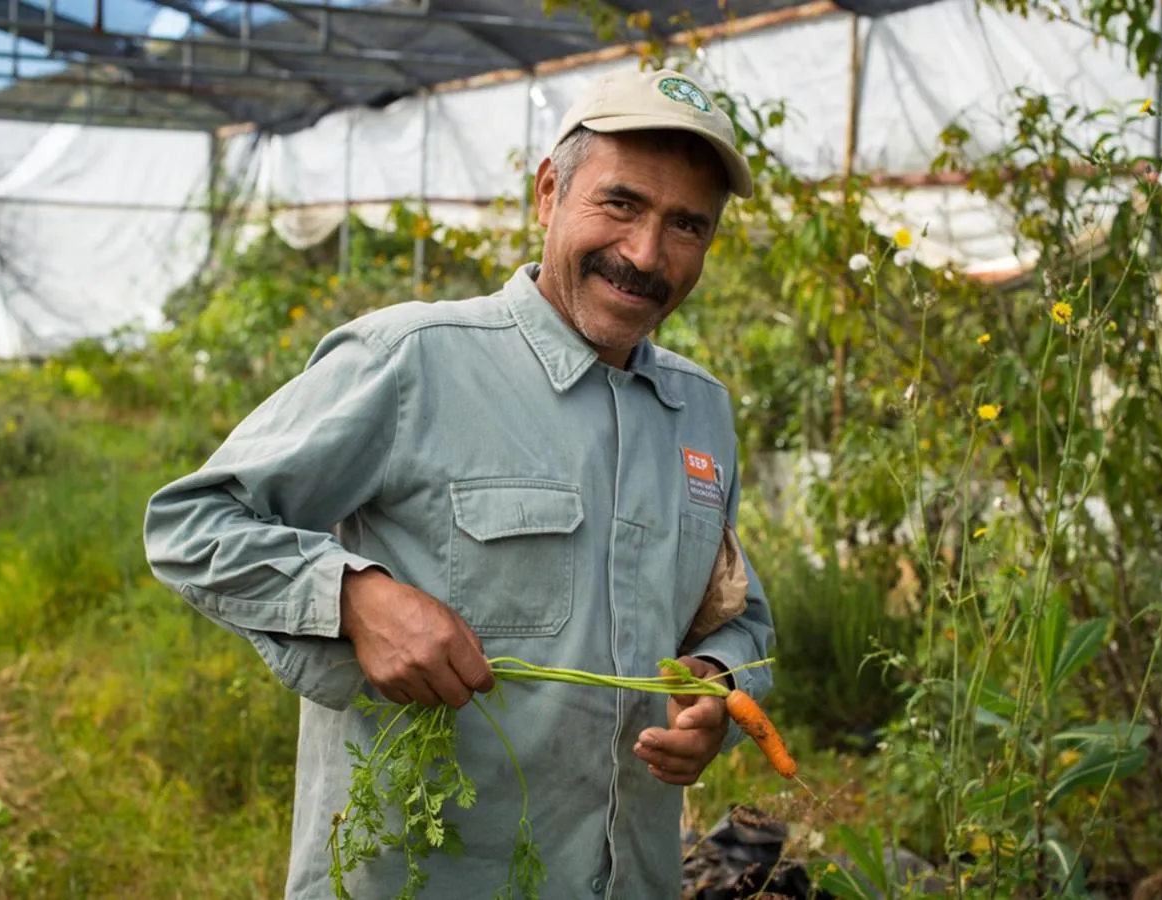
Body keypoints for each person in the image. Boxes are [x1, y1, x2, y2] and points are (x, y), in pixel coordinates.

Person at [143, 65, 775, 899]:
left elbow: (740, 618)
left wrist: (720, 691)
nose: (645, 254)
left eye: (686, 226)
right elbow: (192, 525)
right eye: (620, 203)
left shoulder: (699, 412)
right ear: (550, 192)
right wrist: (356, 598)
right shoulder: (412, 362)